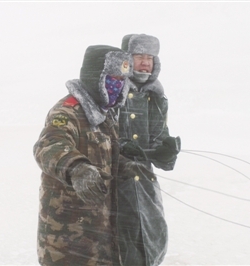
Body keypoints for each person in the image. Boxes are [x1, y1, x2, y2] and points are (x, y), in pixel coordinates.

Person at [33, 45, 133, 265]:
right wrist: (76, 168)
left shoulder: (104, 114)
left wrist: (126, 166)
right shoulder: (67, 110)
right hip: (68, 231)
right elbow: (49, 145)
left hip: (101, 228)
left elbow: (105, 156)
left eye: (121, 79)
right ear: (94, 76)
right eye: (111, 78)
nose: (117, 85)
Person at [116, 34, 181, 266]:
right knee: (121, 242)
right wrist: (122, 148)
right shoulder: (112, 91)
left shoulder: (156, 97)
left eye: (150, 57)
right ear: (126, 59)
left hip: (144, 182)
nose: (145, 62)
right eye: (139, 56)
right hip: (115, 183)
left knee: (152, 238)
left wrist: (166, 152)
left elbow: (158, 137)